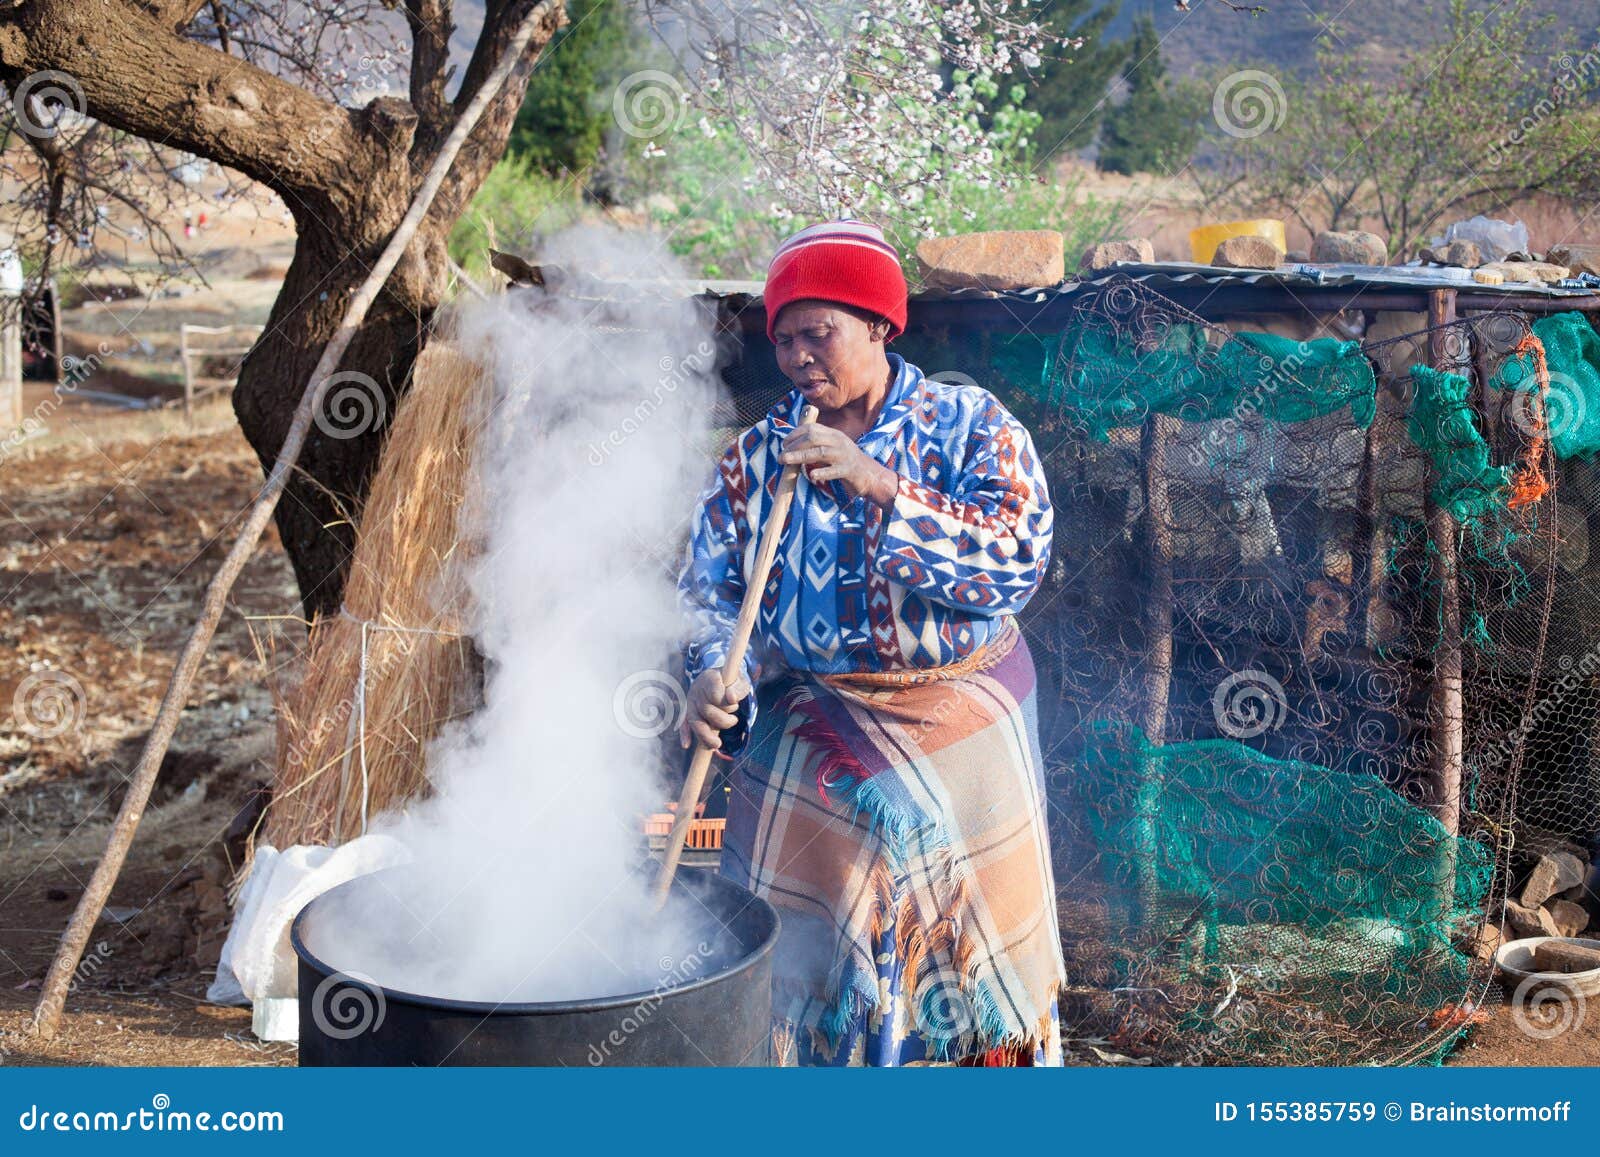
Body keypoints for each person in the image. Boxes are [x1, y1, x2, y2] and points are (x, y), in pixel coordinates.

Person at [678, 219, 1065, 1066]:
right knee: (804, 983)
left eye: (819, 332)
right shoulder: (754, 460)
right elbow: (707, 592)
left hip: (960, 726)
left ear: (881, 325)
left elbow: (1018, 561)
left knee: (966, 977)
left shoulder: (969, 425)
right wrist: (714, 674)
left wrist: (882, 486)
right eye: (782, 339)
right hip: (813, 728)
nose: (797, 356)